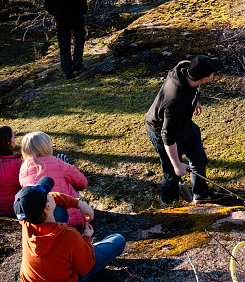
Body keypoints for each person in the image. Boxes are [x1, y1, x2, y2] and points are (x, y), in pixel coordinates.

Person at [14, 176, 126, 282]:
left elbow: (54, 198)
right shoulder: (70, 236)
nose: (50, 194)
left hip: (34, 278)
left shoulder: (26, 222)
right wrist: (86, 238)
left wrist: (79, 204)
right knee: (118, 240)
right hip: (68, 279)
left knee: (59, 208)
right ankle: (84, 249)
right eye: (47, 194)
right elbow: (85, 268)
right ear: (47, 206)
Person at [145, 55, 224, 204]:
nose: (214, 74)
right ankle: (169, 208)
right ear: (205, 78)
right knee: (172, 174)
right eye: (212, 73)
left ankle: (201, 194)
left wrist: (195, 101)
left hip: (184, 123)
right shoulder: (175, 100)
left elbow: (194, 88)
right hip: (162, 131)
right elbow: (167, 136)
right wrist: (177, 164)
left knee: (198, 158)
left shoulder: (187, 67)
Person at [20, 131, 89, 227]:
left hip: (41, 223)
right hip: (69, 219)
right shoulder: (58, 163)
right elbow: (82, 182)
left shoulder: (24, 169)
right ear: (46, 147)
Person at [44, 0, 87, 79]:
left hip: (61, 19)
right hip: (76, 18)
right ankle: (77, 65)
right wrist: (82, 13)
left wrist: (56, 13)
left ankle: (68, 71)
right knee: (79, 40)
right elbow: (82, 2)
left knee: (64, 44)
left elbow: (47, 4)